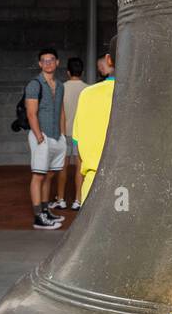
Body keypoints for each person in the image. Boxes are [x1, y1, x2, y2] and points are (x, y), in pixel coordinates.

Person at [71, 35, 117, 205]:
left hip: (94, 186)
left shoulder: (88, 95)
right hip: (137, 189)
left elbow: (79, 146)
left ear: (108, 60)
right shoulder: (149, 97)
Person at [25, 48, 66, 230]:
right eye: (44, 60)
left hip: (57, 136)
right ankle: (38, 217)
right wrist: (39, 136)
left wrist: (63, 134)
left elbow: (61, 111)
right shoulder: (35, 84)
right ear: (40, 64)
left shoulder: (61, 85)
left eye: (51, 60)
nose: (48, 63)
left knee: (49, 174)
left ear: (57, 62)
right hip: (41, 136)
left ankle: (45, 209)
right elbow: (31, 113)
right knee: (38, 175)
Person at [59, 57, 90, 211]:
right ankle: (78, 200)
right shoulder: (88, 89)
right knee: (79, 168)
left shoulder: (61, 88)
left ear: (68, 72)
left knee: (62, 168)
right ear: (82, 72)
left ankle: (61, 199)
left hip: (64, 133)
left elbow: (59, 113)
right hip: (82, 134)